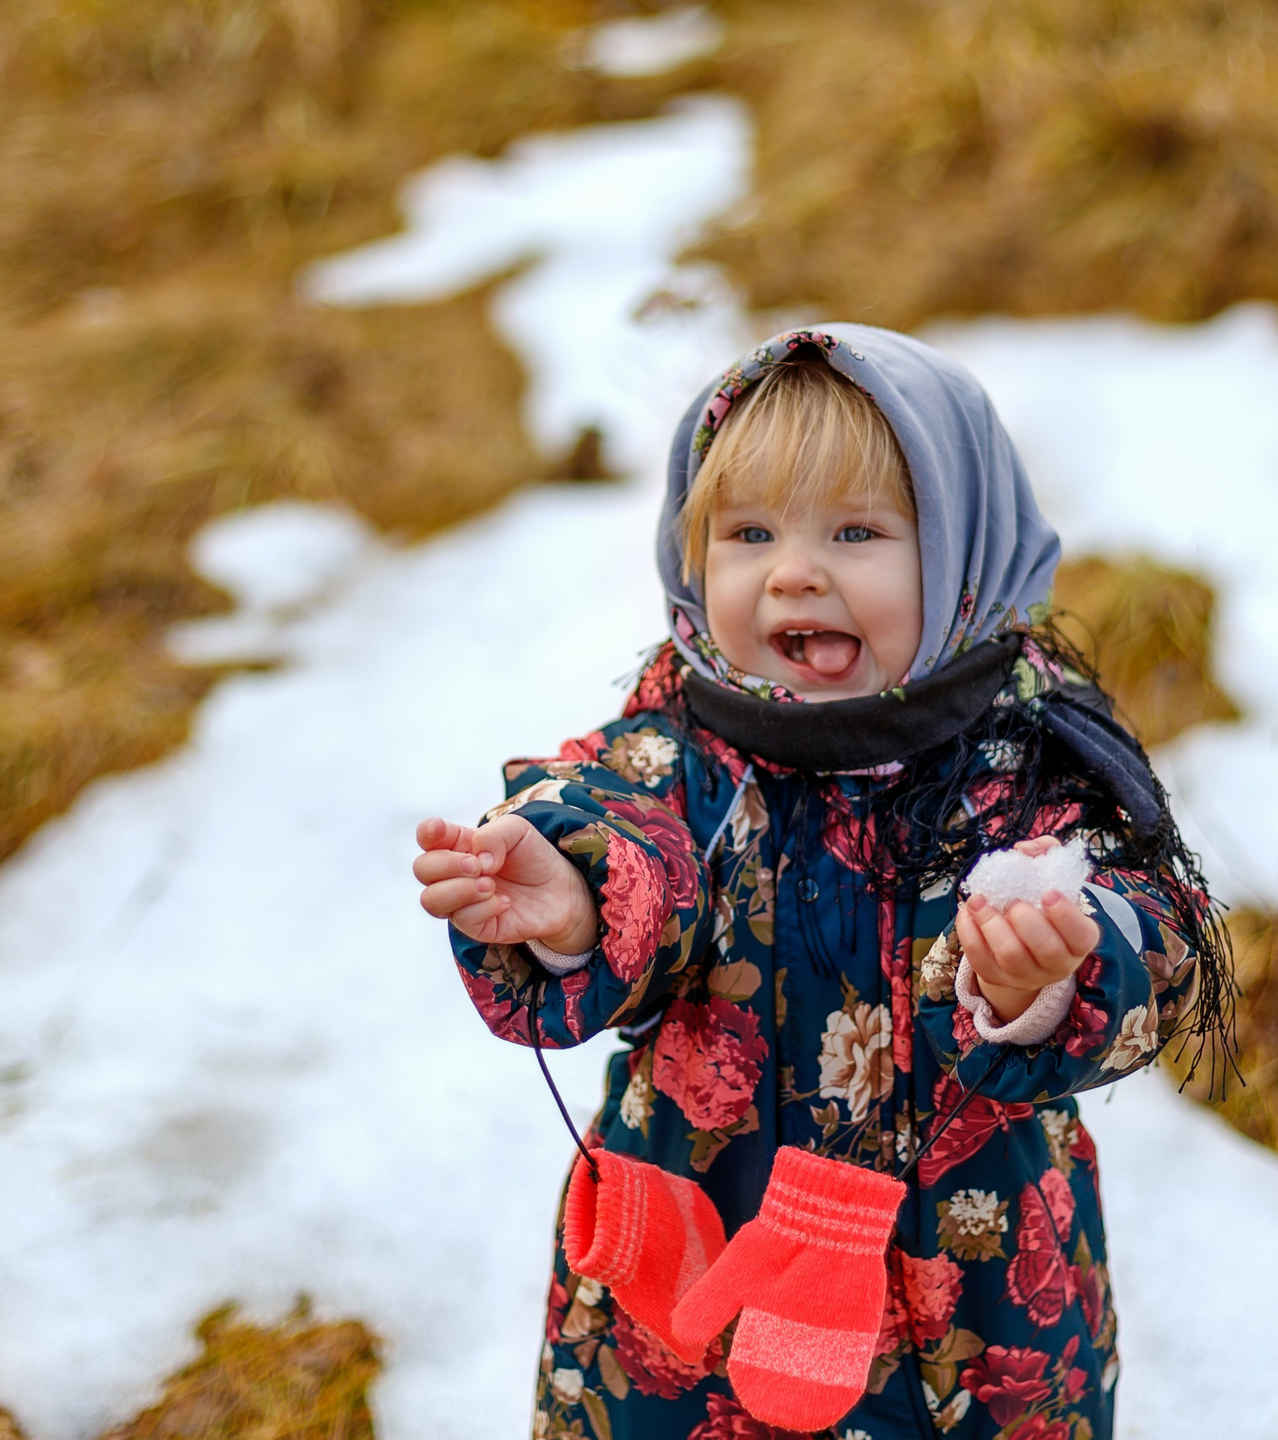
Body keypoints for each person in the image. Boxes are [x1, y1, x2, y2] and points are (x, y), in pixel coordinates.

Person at [413, 325, 1229, 1440]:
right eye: (749, 533)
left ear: (962, 554)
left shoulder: (1032, 769)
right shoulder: (672, 756)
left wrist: (1046, 974)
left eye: (856, 532)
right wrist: (572, 902)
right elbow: (620, 833)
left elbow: (1152, 932)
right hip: (697, 1272)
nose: (794, 571)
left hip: (967, 1311)